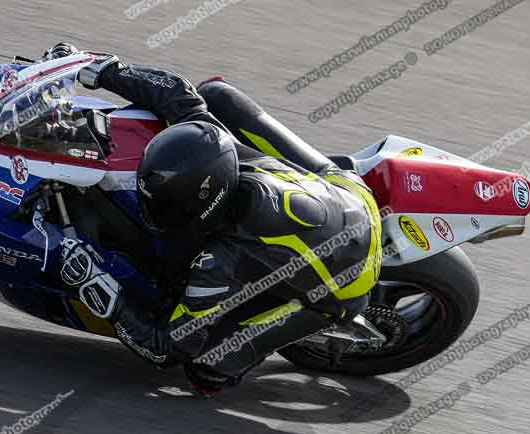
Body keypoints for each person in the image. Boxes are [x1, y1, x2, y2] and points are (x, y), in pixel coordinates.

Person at [42, 43, 383, 394]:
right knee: (213, 94)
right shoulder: (212, 142)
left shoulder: (219, 261)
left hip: (348, 279)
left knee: (206, 368)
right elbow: (176, 93)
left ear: (206, 208)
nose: (153, 213)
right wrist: (103, 69)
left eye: (169, 207)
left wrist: (102, 291)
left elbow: (167, 349)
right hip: (345, 189)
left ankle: (309, 321)